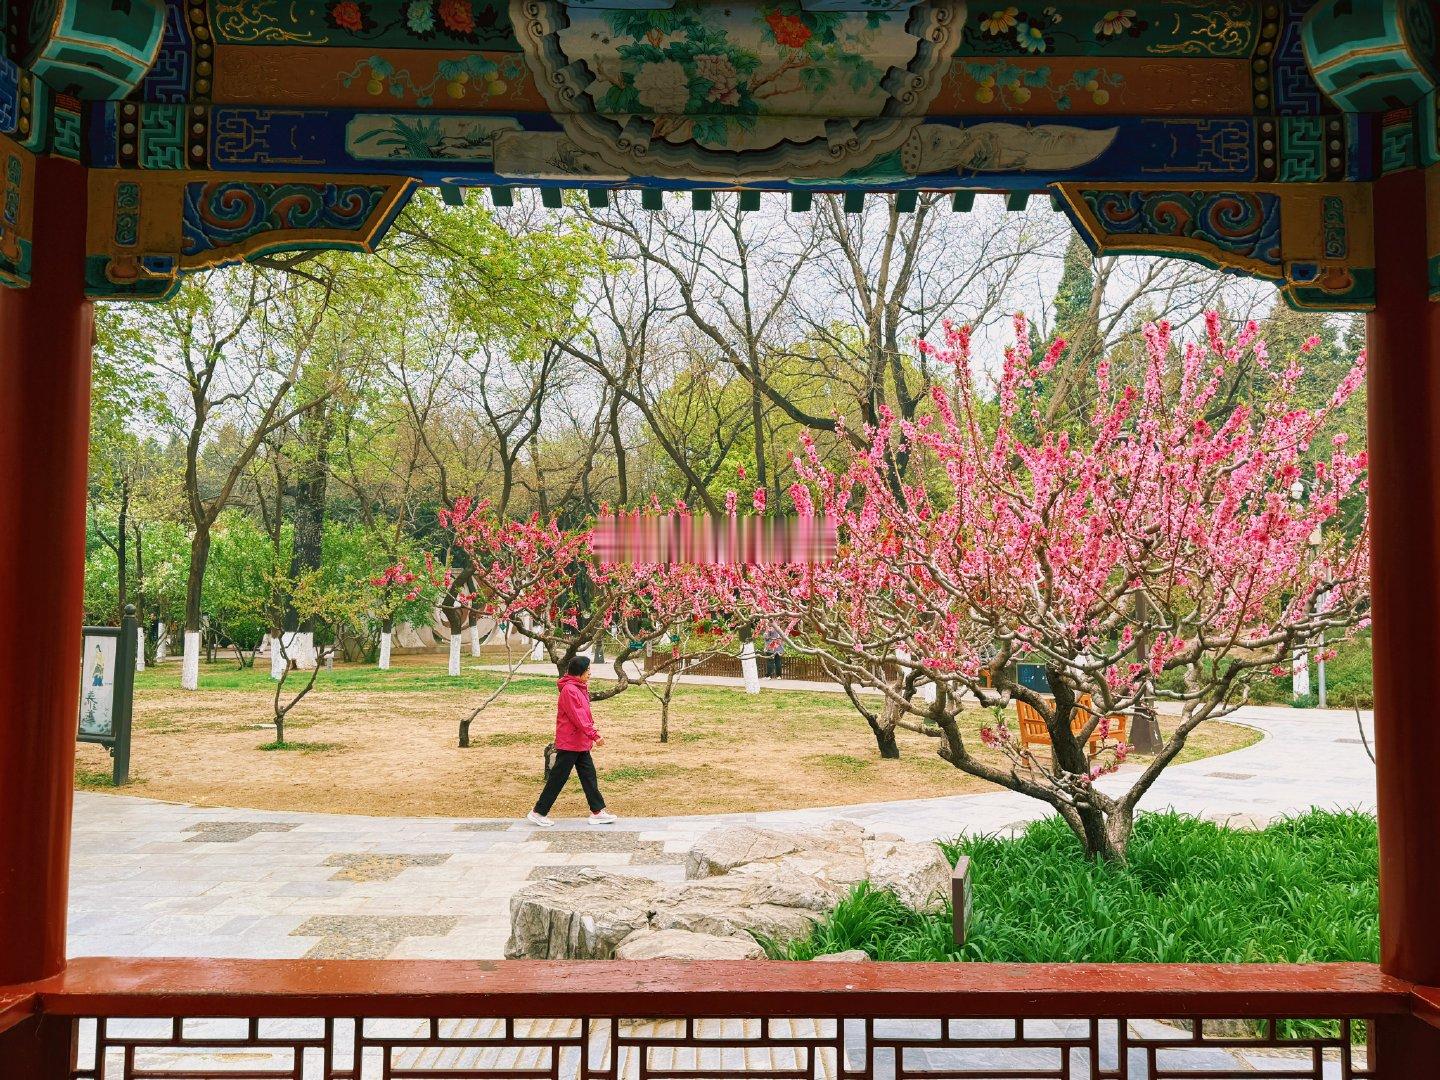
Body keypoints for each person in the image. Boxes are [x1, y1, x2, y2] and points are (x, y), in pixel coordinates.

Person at [527, 655, 617, 827]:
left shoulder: (578, 687)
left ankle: (597, 812)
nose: (590, 673)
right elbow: (579, 717)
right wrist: (595, 735)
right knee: (558, 778)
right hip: (570, 743)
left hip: (580, 742)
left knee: (589, 776)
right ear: (580, 672)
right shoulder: (570, 690)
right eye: (588, 670)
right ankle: (538, 812)